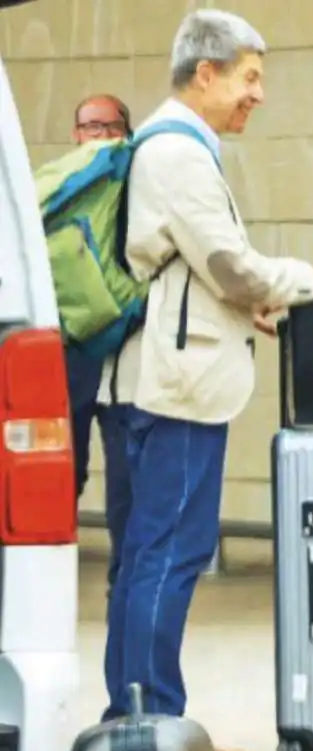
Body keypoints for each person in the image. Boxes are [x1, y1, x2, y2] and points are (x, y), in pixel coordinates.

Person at [97, 10, 313, 751]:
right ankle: (152, 722)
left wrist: (250, 308)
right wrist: (303, 283)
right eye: (249, 76)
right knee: (169, 552)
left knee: (147, 554)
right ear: (206, 73)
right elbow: (228, 263)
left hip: (170, 378)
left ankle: (139, 717)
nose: (257, 94)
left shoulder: (175, 146)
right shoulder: (176, 150)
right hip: (182, 390)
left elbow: (199, 272)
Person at [66, 94, 134, 594]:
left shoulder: (137, 186)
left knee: (126, 474)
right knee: (65, 471)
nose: (100, 135)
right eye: (91, 126)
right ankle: (48, 584)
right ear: (76, 135)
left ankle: (123, 583)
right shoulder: (59, 186)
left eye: (110, 126)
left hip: (126, 347)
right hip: (71, 348)